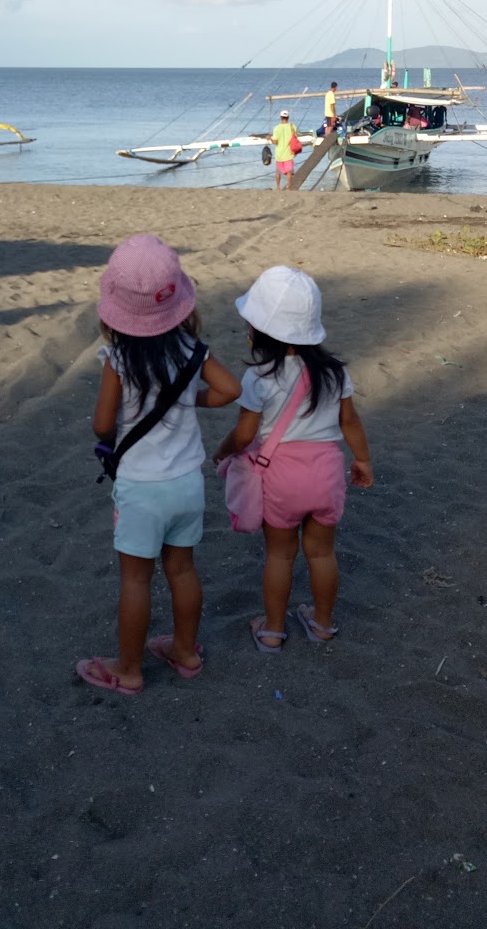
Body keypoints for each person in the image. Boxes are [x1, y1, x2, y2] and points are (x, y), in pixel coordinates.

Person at [77, 234, 240, 695]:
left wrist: (111, 439)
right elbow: (231, 391)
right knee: (183, 569)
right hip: (187, 482)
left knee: (135, 579)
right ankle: (186, 651)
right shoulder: (193, 351)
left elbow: (102, 424)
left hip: (141, 488)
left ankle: (128, 670)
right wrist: (192, 399)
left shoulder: (118, 359)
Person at [214, 266, 372, 651]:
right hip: (326, 472)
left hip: (281, 477)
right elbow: (348, 420)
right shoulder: (335, 373)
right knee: (322, 552)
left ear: (261, 330)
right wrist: (363, 460)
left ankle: (271, 630)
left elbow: (246, 434)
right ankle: (322, 624)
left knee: (280, 555)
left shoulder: (259, 377)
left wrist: (222, 451)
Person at [271, 109, 297, 191]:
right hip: (289, 152)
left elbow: (275, 142)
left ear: (280, 117)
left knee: (278, 172)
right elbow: (295, 137)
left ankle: (278, 187)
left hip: (279, 153)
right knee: (289, 171)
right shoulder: (292, 127)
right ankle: (288, 185)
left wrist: (270, 138)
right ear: (288, 117)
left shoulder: (276, 128)